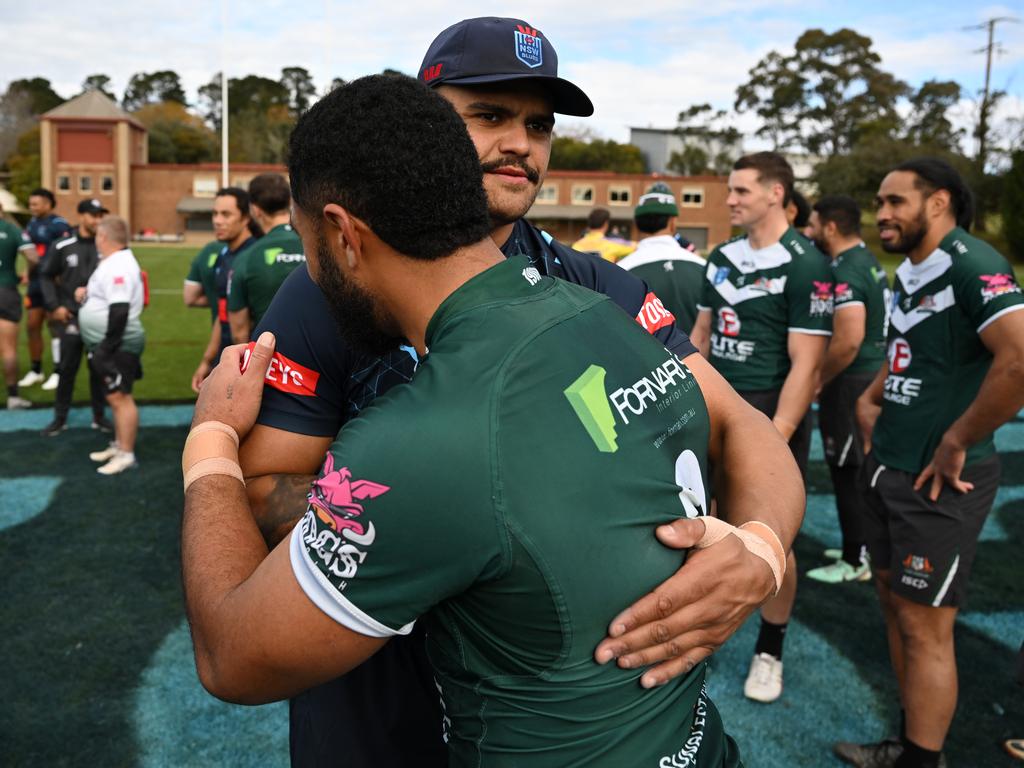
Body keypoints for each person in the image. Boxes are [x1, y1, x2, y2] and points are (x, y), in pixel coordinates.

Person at [182, 72, 805, 767]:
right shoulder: (605, 317)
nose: (517, 144)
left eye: (538, 125)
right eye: (488, 116)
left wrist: (209, 442)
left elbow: (230, 655)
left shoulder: (427, 432)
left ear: (343, 235)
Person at [835, 158, 1024, 768]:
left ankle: (922, 760)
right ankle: (909, 741)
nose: (882, 213)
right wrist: (871, 394)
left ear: (938, 201)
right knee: (896, 610)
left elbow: (1018, 359)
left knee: (925, 627)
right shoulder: (910, 271)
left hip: (939, 480)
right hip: (889, 464)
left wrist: (957, 437)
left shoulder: (977, 264)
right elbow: (914, 347)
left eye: (896, 201)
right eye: (879, 202)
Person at [690, 151, 834, 703]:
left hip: (768, 410)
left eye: (741, 191)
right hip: (712, 402)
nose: (730, 200)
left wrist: (776, 430)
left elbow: (808, 362)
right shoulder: (722, 255)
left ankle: (770, 648)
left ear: (776, 193)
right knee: (703, 518)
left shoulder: (806, 262)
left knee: (771, 534)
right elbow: (700, 334)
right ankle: (705, 624)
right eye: (730, 190)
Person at [802, 194, 888, 583]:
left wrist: (818, 377)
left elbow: (850, 337)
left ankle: (856, 558)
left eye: (815, 223)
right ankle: (862, 544)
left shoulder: (846, 269)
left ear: (831, 227)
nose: (811, 230)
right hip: (868, 375)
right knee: (855, 466)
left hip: (852, 380)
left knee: (847, 468)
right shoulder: (865, 259)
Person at [37, 199, 112, 436]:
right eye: (93, 215)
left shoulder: (108, 247)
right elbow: (46, 276)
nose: (97, 220)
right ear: (80, 216)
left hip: (99, 320)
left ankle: (99, 417)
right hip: (70, 317)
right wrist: (54, 306)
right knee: (67, 369)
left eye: (101, 215)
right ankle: (60, 418)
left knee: (99, 370)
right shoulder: (63, 245)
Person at [79, 216, 146, 476]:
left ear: (103, 237)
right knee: (114, 396)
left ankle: (126, 453)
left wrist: (105, 349)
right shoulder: (113, 262)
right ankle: (119, 445)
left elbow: (119, 311)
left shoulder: (118, 264)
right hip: (110, 342)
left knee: (120, 397)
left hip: (118, 343)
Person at [187, 188, 257, 392]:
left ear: (246, 218)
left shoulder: (253, 256)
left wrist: (242, 373)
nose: (217, 221)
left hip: (247, 362)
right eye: (214, 214)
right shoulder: (224, 255)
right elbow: (222, 312)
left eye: (226, 214)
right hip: (227, 355)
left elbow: (242, 326)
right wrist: (207, 361)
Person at [617, 183, 707, 331]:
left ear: (637, 224)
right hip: (696, 353)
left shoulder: (620, 271)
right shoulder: (703, 267)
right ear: (673, 222)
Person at [226, 173, 304, 344]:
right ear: (289, 202)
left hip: (272, 363)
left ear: (255, 210)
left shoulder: (245, 259)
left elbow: (239, 333)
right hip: (328, 361)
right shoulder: (316, 246)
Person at [18, 188, 71, 390]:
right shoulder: (32, 224)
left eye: (35, 204)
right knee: (32, 325)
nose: (32, 208)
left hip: (52, 283)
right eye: (30, 204)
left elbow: (67, 251)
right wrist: (26, 271)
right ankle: (36, 370)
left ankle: (59, 371)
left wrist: (61, 275)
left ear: (48, 204)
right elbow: (30, 251)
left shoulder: (59, 225)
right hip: (35, 283)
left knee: (55, 326)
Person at [0, 202, 31, 409]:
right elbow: (34, 257)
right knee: (8, 348)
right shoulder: (12, 229)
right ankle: (13, 396)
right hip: (6, 290)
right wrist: (27, 274)